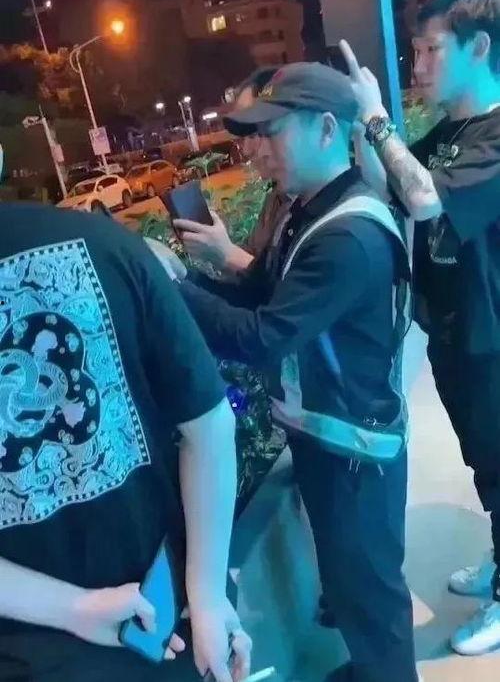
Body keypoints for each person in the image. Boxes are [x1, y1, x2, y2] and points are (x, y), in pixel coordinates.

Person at [157, 62, 418, 682]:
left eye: (272, 132)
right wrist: (189, 276)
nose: (258, 150)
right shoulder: (310, 211)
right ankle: (372, 670)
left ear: (326, 129)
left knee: (371, 595)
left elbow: (263, 338)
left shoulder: (348, 235)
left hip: (355, 452)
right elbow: (266, 293)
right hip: (330, 438)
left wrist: (167, 289)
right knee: (350, 585)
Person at [0, 194, 251, 680]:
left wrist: (73, 608)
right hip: (163, 617)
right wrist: (207, 595)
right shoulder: (106, 245)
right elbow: (210, 425)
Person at [339, 0, 500, 656]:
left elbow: (427, 198)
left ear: (479, 47)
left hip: (493, 337)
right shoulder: (446, 135)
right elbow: (397, 191)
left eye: (432, 49)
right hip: (458, 332)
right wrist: (361, 131)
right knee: (487, 460)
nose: (420, 65)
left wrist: (380, 120)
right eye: (415, 51)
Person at [175, 66, 293, 275]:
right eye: (242, 138)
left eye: (254, 133)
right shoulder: (278, 196)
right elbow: (255, 269)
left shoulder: (325, 211)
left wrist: (226, 254)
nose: (247, 150)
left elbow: (286, 287)